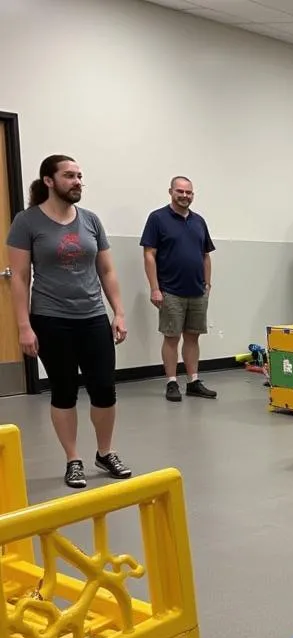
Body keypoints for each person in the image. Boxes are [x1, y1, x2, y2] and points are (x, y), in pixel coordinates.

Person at [6, 154, 132, 489]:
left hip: (92, 316)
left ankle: (105, 452)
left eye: (79, 176)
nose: (77, 182)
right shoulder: (27, 221)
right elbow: (18, 276)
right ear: (49, 180)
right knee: (64, 391)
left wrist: (117, 311)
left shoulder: (90, 220)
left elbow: (106, 269)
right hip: (50, 318)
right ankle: (73, 459)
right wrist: (23, 326)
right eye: (69, 176)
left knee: (104, 388)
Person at [140, 176, 217, 402]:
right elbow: (149, 255)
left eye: (189, 192)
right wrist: (155, 288)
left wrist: (207, 283)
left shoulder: (199, 221)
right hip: (170, 290)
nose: (185, 196)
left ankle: (193, 381)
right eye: (180, 191)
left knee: (193, 337)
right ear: (171, 192)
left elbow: (206, 255)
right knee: (171, 337)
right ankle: (172, 382)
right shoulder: (157, 218)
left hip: (197, 290)